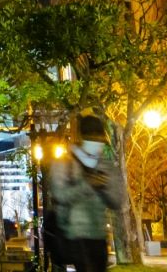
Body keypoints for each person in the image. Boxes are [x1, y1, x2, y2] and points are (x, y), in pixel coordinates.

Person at [48, 116, 126, 272]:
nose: (96, 144)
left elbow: (118, 200)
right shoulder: (66, 163)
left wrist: (103, 186)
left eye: (99, 140)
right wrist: (87, 185)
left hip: (99, 236)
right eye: (92, 139)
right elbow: (59, 195)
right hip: (72, 235)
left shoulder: (106, 165)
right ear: (82, 138)